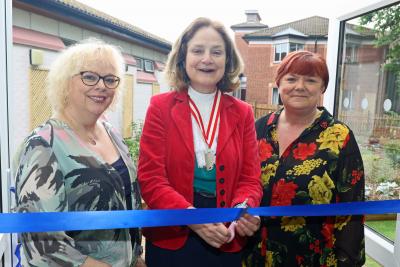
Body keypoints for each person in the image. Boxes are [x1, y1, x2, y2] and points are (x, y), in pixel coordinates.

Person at [137, 17, 263, 267]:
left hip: (226, 230)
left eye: (217, 52)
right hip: (172, 232)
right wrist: (192, 217)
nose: (207, 59)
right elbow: (151, 178)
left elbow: (250, 178)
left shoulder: (243, 112)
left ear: (227, 61)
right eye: (198, 50)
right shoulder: (160, 107)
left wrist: (242, 210)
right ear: (183, 57)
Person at [14, 39, 145, 267]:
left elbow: (127, 203)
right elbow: (41, 243)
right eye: (90, 77)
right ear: (65, 83)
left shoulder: (111, 133)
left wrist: (136, 255)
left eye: (110, 79)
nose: (102, 86)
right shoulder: (42, 146)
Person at [242, 50, 365, 267]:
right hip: (253, 256)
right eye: (291, 79)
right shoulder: (257, 129)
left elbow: (352, 207)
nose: (300, 86)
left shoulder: (339, 136)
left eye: (310, 80)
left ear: (322, 88)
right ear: (279, 83)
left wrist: (348, 260)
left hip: (313, 258)